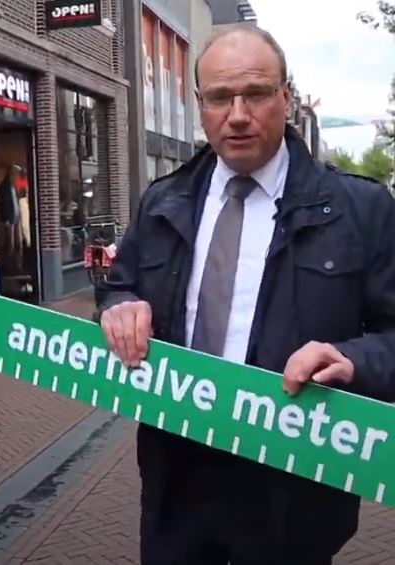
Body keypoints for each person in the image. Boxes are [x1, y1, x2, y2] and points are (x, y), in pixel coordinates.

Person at [97, 25, 395, 565]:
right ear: (200, 105)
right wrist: (118, 307)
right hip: (177, 480)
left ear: (285, 97)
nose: (237, 115)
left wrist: (352, 361)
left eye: (255, 93)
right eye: (219, 98)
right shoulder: (161, 203)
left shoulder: (362, 210)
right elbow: (121, 286)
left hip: (292, 486)